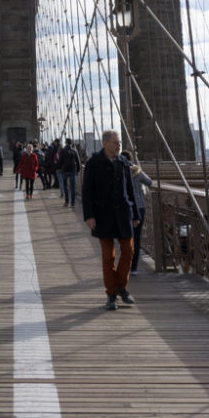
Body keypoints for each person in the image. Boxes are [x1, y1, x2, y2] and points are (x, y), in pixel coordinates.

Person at [82, 130, 139, 310]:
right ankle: (111, 294)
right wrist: (89, 216)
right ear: (105, 143)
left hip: (123, 214)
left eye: (119, 142)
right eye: (115, 142)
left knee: (129, 251)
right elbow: (86, 191)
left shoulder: (124, 163)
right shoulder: (93, 163)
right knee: (108, 257)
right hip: (103, 215)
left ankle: (121, 287)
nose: (118, 145)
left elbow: (131, 190)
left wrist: (136, 214)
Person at [122, 149, 153, 274]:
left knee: (125, 237)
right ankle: (133, 268)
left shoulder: (119, 170)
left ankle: (125, 265)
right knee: (136, 237)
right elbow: (150, 182)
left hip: (125, 208)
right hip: (139, 207)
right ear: (131, 159)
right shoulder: (137, 171)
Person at [57, 137, 80, 207]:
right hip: (72, 170)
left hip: (65, 170)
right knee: (73, 187)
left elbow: (60, 161)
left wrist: (60, 168)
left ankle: (66, 201)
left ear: (66, 142)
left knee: (65, 186)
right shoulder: (74, 151)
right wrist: (78, 170)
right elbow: (78, 161)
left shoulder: (62, 150)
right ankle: (73, 202)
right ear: (71, 143)